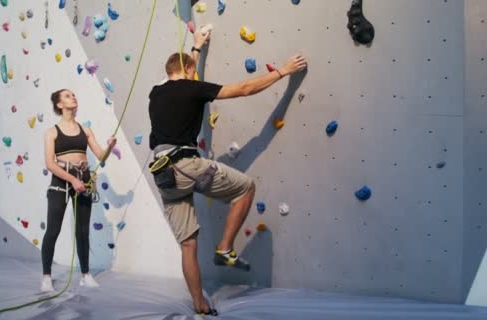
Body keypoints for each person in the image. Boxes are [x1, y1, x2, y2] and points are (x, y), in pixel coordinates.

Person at [148, 29, 307, 314]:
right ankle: (224, 247)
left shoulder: (156, 92)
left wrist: (195, 47)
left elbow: (185, 71)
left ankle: (199, 303)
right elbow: (244, 89)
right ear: (190, 72)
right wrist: (282, 71)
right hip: (187, 165)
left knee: (188, 246)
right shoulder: (193, 88)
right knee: (245, 187)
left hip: (164, 175)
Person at [40, 89, 116, 292]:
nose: (73, 96)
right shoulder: (52, 132)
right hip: (61, 182)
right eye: (67, 96)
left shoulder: (86, 130)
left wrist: (110, 147)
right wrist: (73, 180)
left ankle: (85, 275)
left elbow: (100, 155)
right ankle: (47, 276)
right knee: (53, 230)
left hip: (84, 180)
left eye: (74, 94)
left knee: (82, 230)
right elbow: (50, 163)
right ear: (59, 104)